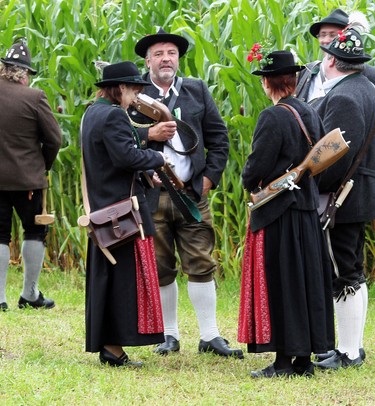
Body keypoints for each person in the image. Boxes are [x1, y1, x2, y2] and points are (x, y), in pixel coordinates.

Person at [129, 27, 242, 358]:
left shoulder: (196, 90)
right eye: (159, 54)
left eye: (172, 53)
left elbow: (219, 138)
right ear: (148, 61)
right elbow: (120, 140)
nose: (166, 59)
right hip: (153, 193)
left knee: (201, 261)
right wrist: (150, 133)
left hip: (192, 193)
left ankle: (210, 335)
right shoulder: (134, 95)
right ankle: (169, 335)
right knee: (161, 264)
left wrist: (208, 180)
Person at [297, 8, 375, 365]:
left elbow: (333, 157)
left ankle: (349, 351)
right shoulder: (367, 89)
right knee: (350, 268)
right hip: (361, 192)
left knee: (344, 272)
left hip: (343, 195)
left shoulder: (342, 96)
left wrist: (307, 183)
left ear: (333, 62)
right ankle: (350, 347)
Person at [238, 50, 334, 378]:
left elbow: (256, 167)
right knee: (304, 285)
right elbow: (320, 162)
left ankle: (282, 363)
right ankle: (304, 361)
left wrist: (248, 180)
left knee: (281, 285)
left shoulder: (272, 117)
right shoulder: (310, 112)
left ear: (268, 83)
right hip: (306, 211)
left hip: (278, 212)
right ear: (292, 81)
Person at [81, 61, 167, 367]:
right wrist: (156, 158)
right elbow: (125, 155)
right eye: (132, 90)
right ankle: (114, 350)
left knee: (108, 279)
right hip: (121, 215)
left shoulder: (92, 112)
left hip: (104, 212)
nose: (135, 97)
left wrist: (142, 168)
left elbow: (111, 157)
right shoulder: (115, 114)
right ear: (119, 89)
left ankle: (109, 346)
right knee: (123, 282)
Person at [0, 40, 61, 311]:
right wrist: (44, 165)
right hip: (27, 180)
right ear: (23, 73)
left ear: (2, 68)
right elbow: (54, 139)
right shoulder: (34, 96)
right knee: (34, 230)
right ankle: (30, 294)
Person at [296, 8, 375, 196]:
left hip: (355, 184)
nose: (326, 39)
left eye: (333, 34)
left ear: (346, 36)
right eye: (323, 34)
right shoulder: (306, 73)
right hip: (314, 179)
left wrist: (363, 167)